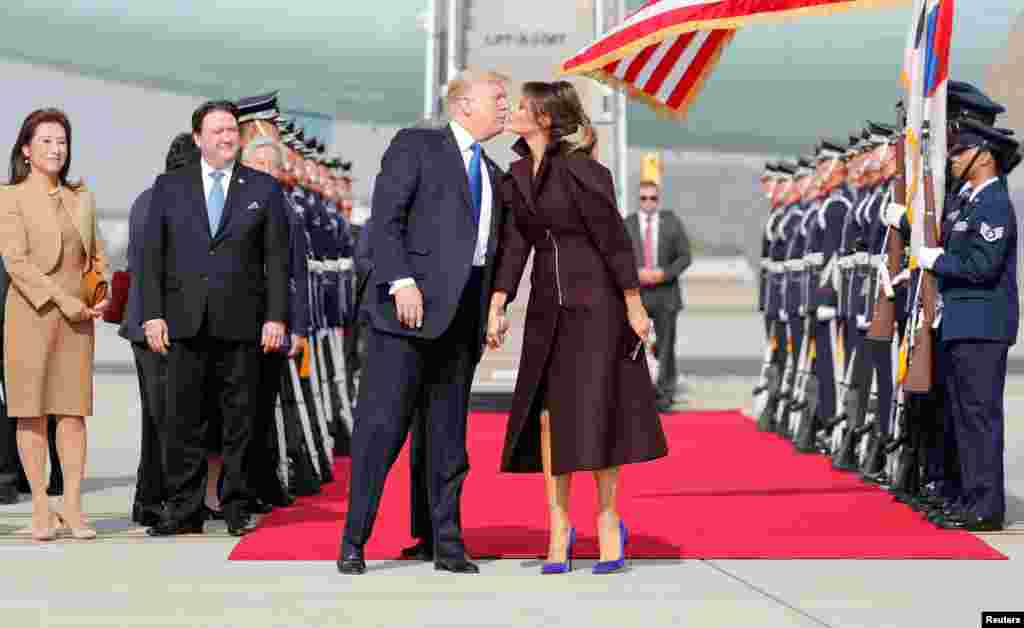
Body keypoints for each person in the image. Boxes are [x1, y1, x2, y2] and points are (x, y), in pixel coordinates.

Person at [487, 81, 668, 575]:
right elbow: (516, 245)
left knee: (598, 410)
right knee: (548, 419)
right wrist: (499, 301)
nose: (515, 112)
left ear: (545, 118)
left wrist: (634, 304)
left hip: (599, 307)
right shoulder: (517, 174)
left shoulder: (586, 172)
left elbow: (614, 242)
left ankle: (608, 521)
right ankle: (558, 527)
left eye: (524, 106)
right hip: (548, 310)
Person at [337, 69, 509, 576]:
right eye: (496, 98)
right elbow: (385, 220)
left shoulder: (493, 173)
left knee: (448, 440)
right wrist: (400, 281)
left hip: (461, 324)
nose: (504, 106)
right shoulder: (417, 146)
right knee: (381, 433)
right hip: (404, 320)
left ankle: (446, 542)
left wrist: (495, 307)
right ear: (463, 105)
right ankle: (354, 539)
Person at [141, 100, 289, 537]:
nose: (227, 137)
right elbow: (152, 258)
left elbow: (277, 260)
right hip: (185, 322)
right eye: (218, 131)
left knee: (241, 420)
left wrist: (276, 317)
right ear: (198, 139)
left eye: (231, 130)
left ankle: (237, 504)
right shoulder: (170, 187)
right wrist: (153, 315)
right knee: (183, 420)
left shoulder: (262, 189)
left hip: (243, 323)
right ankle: (184, 507)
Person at [0, 108, 110, 541]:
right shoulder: (9, 197)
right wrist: (64, 302)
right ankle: (42, 509)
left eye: (61, 140)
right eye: (45, 140)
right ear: (26, 150)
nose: (55, 148)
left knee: (73, 414)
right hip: (32, 313)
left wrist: (100, 295)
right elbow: (16, 263)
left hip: (78, 320)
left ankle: (73, 507)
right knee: (30, 413)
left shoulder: (81, 196)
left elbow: (97, 255)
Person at [916, 120, 1019, 532]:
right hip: (962, 322)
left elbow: (982, 265)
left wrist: (936, 261)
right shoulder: (971, 201)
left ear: (985, 157)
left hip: (982, 325)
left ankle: (986, 505)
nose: (954, 158)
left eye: (961, 152)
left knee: (979, 419)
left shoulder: (993, 203)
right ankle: (969, 496)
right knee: (963, 418)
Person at [119, 132, 200, 527]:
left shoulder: (146, 198)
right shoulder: (174, 202)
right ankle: (168, 500)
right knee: (171, 419)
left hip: (143, 325)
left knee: (156, 420)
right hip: (162, 325)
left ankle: (148, 498)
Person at [624, 181, 692, 411]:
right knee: (633, 345)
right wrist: (635, 274)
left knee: (666, 345)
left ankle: (665, 393)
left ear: (658, 200)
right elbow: (617, 257)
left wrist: (664, 273)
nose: (648, 203)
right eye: (643, 198)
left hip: (666, 293)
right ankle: (635, 392)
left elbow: (685, 256)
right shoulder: (629, 224)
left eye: (653, 198)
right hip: (638, 295)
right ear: (638, 200)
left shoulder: (671, 222)